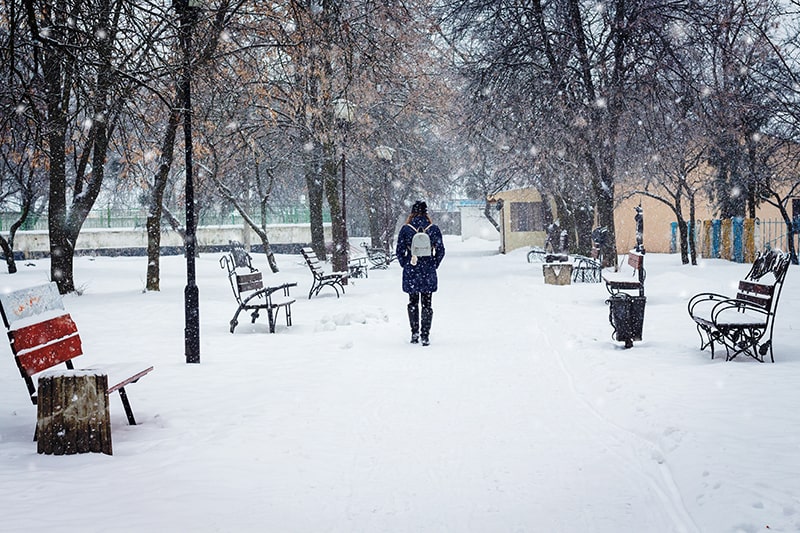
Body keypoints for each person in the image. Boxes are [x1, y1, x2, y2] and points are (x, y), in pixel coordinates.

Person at [395, 201, 445, 346]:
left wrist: (406, 263)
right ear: (426, 213)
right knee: (427, 303)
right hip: (428, 270)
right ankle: (425, 335)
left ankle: (414, 333)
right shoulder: (433, 229)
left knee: (412, 302)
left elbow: (399, 251)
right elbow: (441, 250)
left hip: (412, 268)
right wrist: (433, 263)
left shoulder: (406, 229)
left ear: (412, 213)